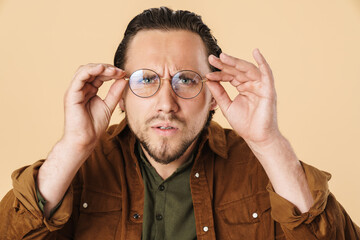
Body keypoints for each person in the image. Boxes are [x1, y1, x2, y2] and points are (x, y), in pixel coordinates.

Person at [0, 6, 359, 240]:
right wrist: (72, 147)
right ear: (120, 94)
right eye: (146, 79)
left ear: (214, 93)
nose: (166, 104)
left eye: (186, 80)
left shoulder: (263, 169)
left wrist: (268, 142)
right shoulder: (77, 168)